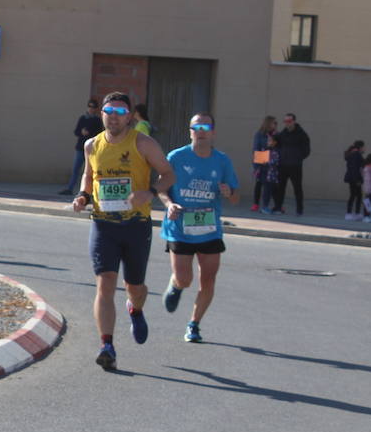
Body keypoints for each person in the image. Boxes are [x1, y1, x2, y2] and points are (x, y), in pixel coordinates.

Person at [72, 91, 175, 371]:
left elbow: (168, 173)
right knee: (105, 283)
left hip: (135, 225)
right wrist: (83, 195)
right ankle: (107, 345)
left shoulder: (143, 142)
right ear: (102, 114)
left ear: (129, 116)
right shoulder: (92, 145)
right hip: (103, 223)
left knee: (135, 287)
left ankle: (136, 308)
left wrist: (150, 193)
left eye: (120, 112)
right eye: (109, 111)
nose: (114, 116)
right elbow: (89, 174)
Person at [159, 114, 240, 344]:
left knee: (208, 280)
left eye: (205, 127)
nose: (201, 131)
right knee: (185, 278)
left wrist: (229, 193)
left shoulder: (222, 161)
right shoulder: (176, 157)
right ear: (190, 131)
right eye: (196, 127)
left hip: (209, 228)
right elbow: (160, 188)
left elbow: (236, 197)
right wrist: (169, 204)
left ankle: (194, 324)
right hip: (180, 227)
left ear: (213, 132)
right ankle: (176, 286)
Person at [59, 99, 103, 195]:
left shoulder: (97, 120)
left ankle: (90, 192)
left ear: (96, 109)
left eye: (93, 107)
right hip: (80, 148)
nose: (91, 109)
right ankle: (70, 189)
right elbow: (76, 131)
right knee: (75, 170)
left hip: (92, 149)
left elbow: (100, 135)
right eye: (90, 106)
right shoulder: (83, 118)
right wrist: (81, 132)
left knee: (91, 171)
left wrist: (90, 134)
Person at [271, 112, 311, 215]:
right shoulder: (283, 133)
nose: (287, 123)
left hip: (295, 166)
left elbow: (306, 150)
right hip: (283, 164)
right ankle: (278, 207)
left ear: (294, 121)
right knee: (280, 187)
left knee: (297, 188)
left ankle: (299, 209)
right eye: (285, 121)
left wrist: (298, 158)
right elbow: (276, 143)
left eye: (289, 121)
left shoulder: (301, 134)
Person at [250, 116, 278, 212]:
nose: (276, 125)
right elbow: (256, 149)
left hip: (273, 163)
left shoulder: (276, 134)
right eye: (274, 123)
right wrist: (257, 165)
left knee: (270, 185)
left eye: (276, 123)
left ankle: (274, 205)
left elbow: (279, 148)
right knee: (259, 183)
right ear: (269, 123)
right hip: (262, 161)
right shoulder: (260, 134)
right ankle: (256, 204)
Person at [343, 140, 366, 220]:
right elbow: (355, 168)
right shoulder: (356, 155)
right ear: (360, 147)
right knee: (355, 195)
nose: (364, 148)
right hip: (355, 178)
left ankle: (354, 213)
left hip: (352, 178)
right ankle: (351, 213)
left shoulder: (352, 154)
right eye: (364, 147)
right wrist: (357, 180)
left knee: (356, 195)